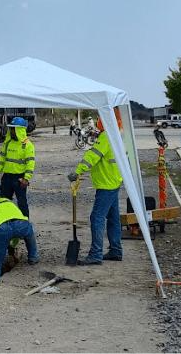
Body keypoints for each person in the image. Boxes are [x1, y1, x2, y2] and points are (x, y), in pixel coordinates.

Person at [67, 108, 123, 265]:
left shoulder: (106, 137)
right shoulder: (117, 135)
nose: (99, 121)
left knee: (96, 217)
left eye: (100, 118)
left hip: (106, 184)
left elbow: (92, 156)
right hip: (114, 181)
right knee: (112, 218)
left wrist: (77, 172)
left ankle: (96, 254)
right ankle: (116, 250)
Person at [0, 117, 35, 217]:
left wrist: (26, 178)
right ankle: (5, 221)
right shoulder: (7, 144)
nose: (11, 131)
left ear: (20, 130)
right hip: (7, 177)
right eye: (11, 129)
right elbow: (2, 159)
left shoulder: (28, 145)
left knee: (22, 203)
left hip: (19, 179)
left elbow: (30, 164)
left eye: (13, 129)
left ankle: (25, 223)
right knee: (4, 202)